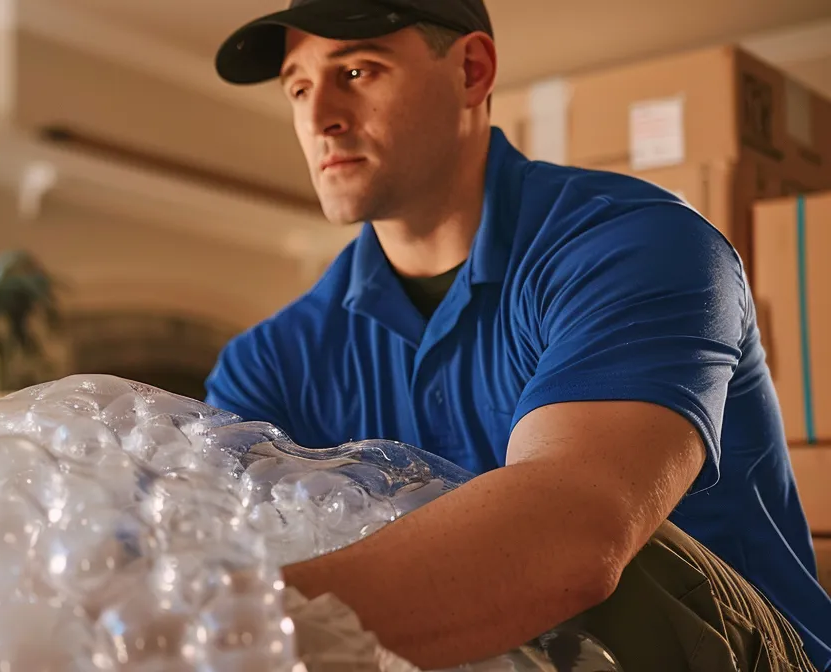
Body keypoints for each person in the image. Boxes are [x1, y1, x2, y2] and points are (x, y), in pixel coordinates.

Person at [207, 0, 831, 669]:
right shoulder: (271, 360)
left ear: (472, 71)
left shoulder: (637, 244)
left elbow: (574, 539)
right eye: (298, 87)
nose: (318, 116)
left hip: (736, 656)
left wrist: (212, 633)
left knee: (601, 540)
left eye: (357, 71)